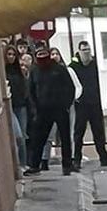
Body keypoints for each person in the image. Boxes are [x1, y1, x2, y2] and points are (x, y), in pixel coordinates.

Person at [26, 44, 77, 174]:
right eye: (39, 54)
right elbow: (30, 91)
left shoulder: (59, 69)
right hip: (42, 110)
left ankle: (67, 165)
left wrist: (66, 105)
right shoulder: (34, 70)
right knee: (39, 138)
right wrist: (36, 109)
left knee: (65, 138)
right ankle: (35, 165)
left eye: (44, 54)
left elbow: (70, 88)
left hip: (60, 109)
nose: (42, 57)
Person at [70, 40, 107, 167]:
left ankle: (104, 157)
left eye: (88, 50)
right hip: (80, 104)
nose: (86, 53)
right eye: (84, 50)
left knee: (99, 132)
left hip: (94, 103)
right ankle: (76, 159)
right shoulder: (73, 66)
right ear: (79, 51)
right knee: (78, 133)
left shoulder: (93, 63)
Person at [3, 43, 30, 170]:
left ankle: (23, 164)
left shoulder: (19, 71)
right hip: (10, 106)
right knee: (17, 135)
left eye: (13, 54)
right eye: (9, 54)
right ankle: (18, 164)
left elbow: (25, 88)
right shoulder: (2, 71)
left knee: (22, 136)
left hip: (21, 106)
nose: (11, 57)